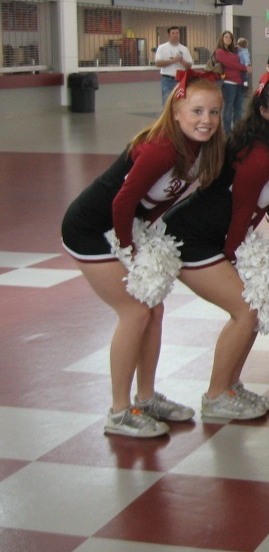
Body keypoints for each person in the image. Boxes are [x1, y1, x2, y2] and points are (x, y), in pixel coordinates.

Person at [61, 71, 225, 437]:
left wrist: (142, 235)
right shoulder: (163, 148)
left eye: (214, 112)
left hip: (121, 228)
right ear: (177, 112)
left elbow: (153, 204)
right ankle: (119, 412)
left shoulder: (199, 149)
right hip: (89, 230)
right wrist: (132, 251)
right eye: (197, 111)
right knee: (135, 311)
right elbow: (122, 202)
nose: (207, 120)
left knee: (155, 308)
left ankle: (147, 397)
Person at [163, 71, 269, 422]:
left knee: (251, 309)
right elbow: (242, 213)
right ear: (263, 111)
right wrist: (234, 260)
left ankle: (229, 386)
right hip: (192, 239)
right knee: (247, 310)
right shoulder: (260, 155)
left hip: (215, 237)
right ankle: (216, 395)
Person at [214, 30, 248, 134]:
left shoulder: (234, 51)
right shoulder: (219, 51)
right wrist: (244, 68)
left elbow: (243, 58)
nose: (228, 39)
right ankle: (227, 131)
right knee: (228, 108)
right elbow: (229, 64)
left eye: (230, 38)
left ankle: (237, 131)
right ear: (222, 39)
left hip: (240, 82)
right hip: (228, 83)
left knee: (238, 108)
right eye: (226, 37)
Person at [154, 25, 193, 103]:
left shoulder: (184, 49)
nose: (175, 35)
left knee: (180, 102)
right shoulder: (162, 48)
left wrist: (183, 62)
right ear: (169, 34)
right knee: (167, 101)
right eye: (173, 33)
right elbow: (158, 63)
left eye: (177, 33)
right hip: (167, 78)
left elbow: (189, 65)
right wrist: (173, 61)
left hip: (180, 79)